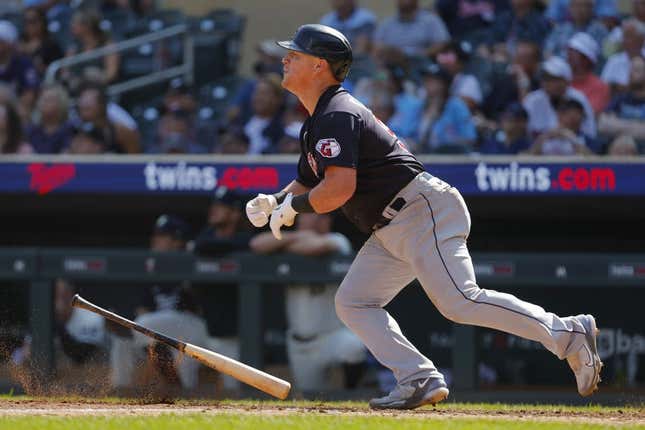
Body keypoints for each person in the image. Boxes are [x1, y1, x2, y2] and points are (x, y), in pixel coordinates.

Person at [246, 24, 602, 410]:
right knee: (354, 301)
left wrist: (293, 208)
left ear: (319, 66)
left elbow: (337, 190)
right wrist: (275, 199)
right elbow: (308, 179)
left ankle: (567, 332)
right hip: (392, 225)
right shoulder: (318, 119)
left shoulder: (337, 113)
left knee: (460, 301)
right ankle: (418, 377)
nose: (285, 59)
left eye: (294, 55)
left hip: (420, 210)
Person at [250, 212, 366, 393]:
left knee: (354, 347)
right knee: (311, 396)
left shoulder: (337, 240)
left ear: (326, 220)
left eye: (310, 215)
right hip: (300, 343)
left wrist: (282, 246)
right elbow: (257, 244)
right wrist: (298, 236)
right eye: (303, 215)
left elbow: (316, 247)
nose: (303, 219)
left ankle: (351, 391)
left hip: (332, 335)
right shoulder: (293, 239)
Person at [109, 214, 210, 394]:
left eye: (163, 237)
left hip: (193, 329)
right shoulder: (151, 268)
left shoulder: (192, 262)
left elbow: (197, 308)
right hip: (157, 335)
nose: (155, 241)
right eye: (156, 236)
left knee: (146, 324)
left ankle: (186, 394)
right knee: (121, 340)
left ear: (178, 241)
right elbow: (143, 308)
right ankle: (120, 390)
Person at [523, 56, 596, 138]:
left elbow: (589, 134)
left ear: (566, 81)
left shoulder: (579, 99)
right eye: (545, 78)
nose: (547, 83)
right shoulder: (533, 100)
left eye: (552, 79)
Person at [372, 0, 450, 63]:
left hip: (422, 66)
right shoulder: (387, 24)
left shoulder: (431, 21)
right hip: (392, 67)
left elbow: (442, 44)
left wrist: (417, 55)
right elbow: (377, 46)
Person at [526, 98, 595, 155]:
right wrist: (544, 138)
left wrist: (572, 139)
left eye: (576, 116)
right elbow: (528, 158)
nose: (572, 120)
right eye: (569, 115)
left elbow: (595, 162)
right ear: (559, 116)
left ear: (582, 117)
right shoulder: (546, 136)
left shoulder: (588, 141)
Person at [543, 0, 608, 60]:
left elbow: (603, 55)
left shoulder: (600, 30)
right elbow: (548, 50)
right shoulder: (560, 29)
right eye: (575, 6)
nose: (579, 10)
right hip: (562, 68)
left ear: (591, 8)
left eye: (583, 6)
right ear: (569, 8)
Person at [567, 32, 610, 115]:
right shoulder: (561, 81)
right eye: (569, 50)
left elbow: (590, 114)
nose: (569, 54)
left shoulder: (599, 86)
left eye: (574, 51)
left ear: (586, 59)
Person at [27, 84, 74, 153]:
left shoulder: (70, 130)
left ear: (61, 104)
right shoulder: (30, 131)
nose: (44, 102)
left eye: (50, 100)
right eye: (42, 99)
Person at [18, 7, 63, 76]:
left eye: (32, 21)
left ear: (42, 22)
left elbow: (58, 71)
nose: (29, 25)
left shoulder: (51, 44)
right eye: (26, 21)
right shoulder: (18, 45)